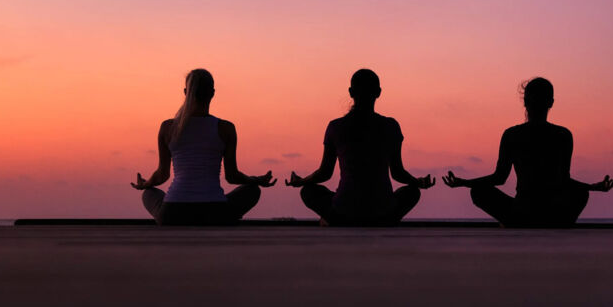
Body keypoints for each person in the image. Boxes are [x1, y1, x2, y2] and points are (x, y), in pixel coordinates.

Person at [442, 77, 613, 227]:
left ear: (525, 102)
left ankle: (519, 222)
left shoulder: (513, 134)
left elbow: (499, 178)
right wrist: (591, 188)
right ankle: (555, 222)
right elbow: (563, 180)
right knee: (580, 193)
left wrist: (464, 182)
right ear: (551, 102)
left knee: (479, 191)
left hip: (521, 211)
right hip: (551, 211)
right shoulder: (563, 135)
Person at [286, 69, 435, 225]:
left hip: (344, 209)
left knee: (308, 191)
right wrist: (418, 183)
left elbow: (324, 173)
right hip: (382, 209)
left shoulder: (336, 127)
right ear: (378, 93)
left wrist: (302, 181)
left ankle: (334, 219)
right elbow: (398, 173)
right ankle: (382, 219)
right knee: (412, 192)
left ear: (351, 92)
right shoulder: (391, 126)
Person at [131, 69, 275, 225]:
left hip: (172, 213)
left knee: (148, 193)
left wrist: (144, 184)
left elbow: (161, 175)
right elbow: (232, 176)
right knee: (252, 190)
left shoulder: (168, 127)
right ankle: (228, 218)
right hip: (215, 212)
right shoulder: (225, 128)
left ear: (186, 92)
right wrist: (256, 180)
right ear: (212, 93)